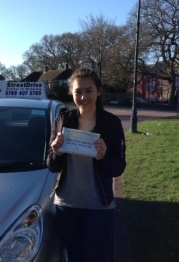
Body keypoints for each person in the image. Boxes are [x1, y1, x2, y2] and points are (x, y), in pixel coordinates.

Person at [47, 68, 126, 262]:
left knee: (97, 258)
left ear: (98, 91)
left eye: (89, 90)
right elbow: (51, 165)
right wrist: (56, 153)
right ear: (71, 93)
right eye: (78, 92)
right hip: (67, 205)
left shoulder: (111, 123)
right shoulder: (63, 120)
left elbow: (118, 168)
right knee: (75, 257)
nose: (83, 97)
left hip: (99, 207)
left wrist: (103, 157)